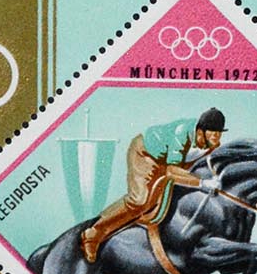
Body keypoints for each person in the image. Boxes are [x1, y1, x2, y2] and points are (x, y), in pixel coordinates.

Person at [81, 109, 227, 265]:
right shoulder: (181, 133)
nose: (216, 138)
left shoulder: (212, 144)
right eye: (213, 133)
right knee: (140, 201)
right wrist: (202, 183)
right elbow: (171, 171)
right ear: (199, 132)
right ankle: (93, 234)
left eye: (219, 134)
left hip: (171, 163)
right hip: (147, 156)